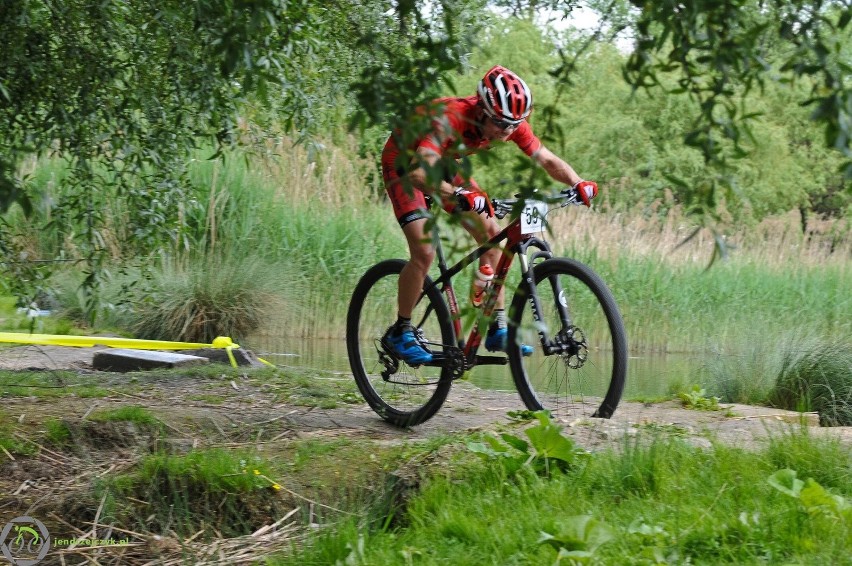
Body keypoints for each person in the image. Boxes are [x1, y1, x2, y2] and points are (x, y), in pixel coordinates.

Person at [380, 65, 598, 365]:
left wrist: (577, 182)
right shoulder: (451, 117)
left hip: (442, 163)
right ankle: (400, 330)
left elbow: (545, 158)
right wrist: (459, 195)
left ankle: (496, 328)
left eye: (513, 125)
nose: (506, 131)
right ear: (481, 109)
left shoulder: (510, 122)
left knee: (493, 238)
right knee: (424, 250)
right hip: (405, 163)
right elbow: (419, 172)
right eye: (499, 123)